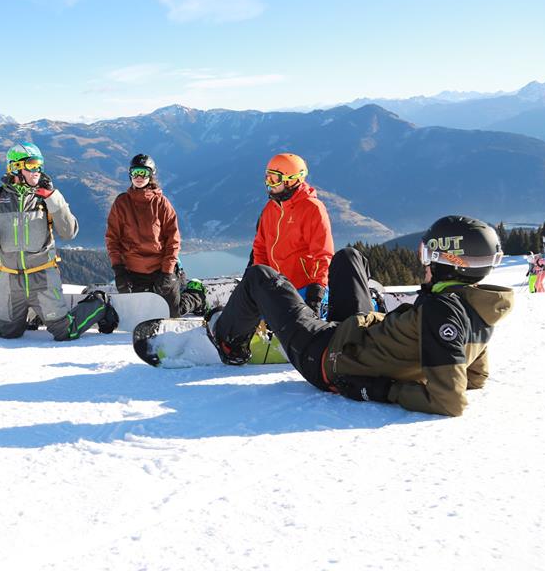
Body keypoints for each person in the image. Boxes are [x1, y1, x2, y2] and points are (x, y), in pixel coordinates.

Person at [206, 215, 513, 416]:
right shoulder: (478, 308)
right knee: (349, 257)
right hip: (356, 336)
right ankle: (347, 308)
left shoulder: (440, 310)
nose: (424, 265)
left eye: (428, 257)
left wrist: (383, 389)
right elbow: (475, 377)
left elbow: (450, 400)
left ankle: (229, 341)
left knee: (261, 277)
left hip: (327, 357)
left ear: (449, 261)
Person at [0, 142, 117, 340]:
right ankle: (32, 313)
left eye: (39, 165)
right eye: (31, 165)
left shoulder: (47, 197)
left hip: (43, 277)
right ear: (15, 167)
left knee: (65, 332)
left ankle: (98, 304)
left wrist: (54, 199)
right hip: (9, 280)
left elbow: (69, 232)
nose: (37, 170)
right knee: (7, 333)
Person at [251, 152, 334, 317]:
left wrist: (316, 290)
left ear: (292, 179)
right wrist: (261, 280)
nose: (269, 184)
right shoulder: (270, 208)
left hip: (304, 288)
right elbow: (260, 248)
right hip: (277, 287)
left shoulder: (312, 208)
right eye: (268, 178)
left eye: (275, 179)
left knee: (297, 329)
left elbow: (323, 253)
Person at [106, 154, 182, 316]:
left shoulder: (161, 203)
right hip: (133, 273)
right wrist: (119, 271)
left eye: (144, 173)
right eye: (135, 172)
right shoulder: (121, 203)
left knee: (173, 315)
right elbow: (112, 239)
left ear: (151, 175)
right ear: (130, 175)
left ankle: (196, 295)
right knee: (137, 317)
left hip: (160, 271)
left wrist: (167, 272)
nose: (139, 177)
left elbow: (173, 241)